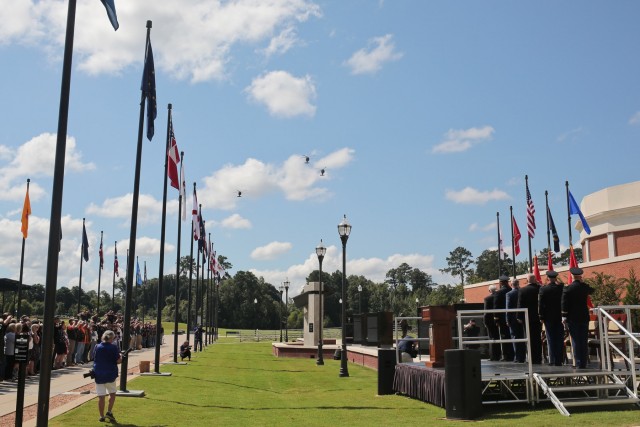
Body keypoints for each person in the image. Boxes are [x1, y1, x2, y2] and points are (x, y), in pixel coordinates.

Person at [561, 267, 594, 369]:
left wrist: (564, 316)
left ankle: (578, 362)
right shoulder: (584, 287)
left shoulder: (568, 288)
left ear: (571, 276)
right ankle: (583, 362)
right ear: (580, 276)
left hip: (572, 318)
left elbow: (564, 303)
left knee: (575, 340)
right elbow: (592, 291)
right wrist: (582, 282)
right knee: (583, 340)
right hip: (584, 317)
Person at [93, 330, 122, 423]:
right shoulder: (113, 347)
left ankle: (101, 416)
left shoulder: (97, 346)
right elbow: (118, 360)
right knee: (112, 393)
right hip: (110, 373)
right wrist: (121, 357)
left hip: (98, 373)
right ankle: (109, 411)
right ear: (111, 338)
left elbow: (95, 357)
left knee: (101, 396)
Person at [538, 270, 564, 366]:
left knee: (550, 338)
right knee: (559, 338)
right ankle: (559, 360)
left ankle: (552, 360)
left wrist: (541, 316)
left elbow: (540, 304)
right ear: (556, 278)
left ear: (548, 278)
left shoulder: (543, 289)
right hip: (559, 317)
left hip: (548, 317)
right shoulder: (561, 288)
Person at [518, 273, 542, 364]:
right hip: (538, 317)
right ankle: (538, 358)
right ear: (535, 280)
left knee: (529, 338)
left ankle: (531, 358)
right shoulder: (540, 289)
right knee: (537, 338)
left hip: (527, 318)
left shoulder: (523, 290)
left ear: (527, 280)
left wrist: (519, 317)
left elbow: (520, 304)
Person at [493, 276, 514, 362]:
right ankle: (513, 354)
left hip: (502, 319)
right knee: (513, 336)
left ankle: (506, 356)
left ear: (501, 283)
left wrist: (496, 319)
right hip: (512, 318)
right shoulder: (511, 291)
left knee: (504, 337)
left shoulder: (498, 293)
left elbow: (496, 307)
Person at [506, 279, 526, 362]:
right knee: (523, 337)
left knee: (515, 337)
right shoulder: (523, 292)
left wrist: (507, 320)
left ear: (511, 285)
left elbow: (508, 308)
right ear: (518, 284)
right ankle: (523, 356)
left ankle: (517, 357)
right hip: (523, 318)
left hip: (513, 319)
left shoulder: (509, 294)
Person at [483, 284, 501, 361]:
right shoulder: (500, 297)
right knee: (499, 337)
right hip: (500, 320)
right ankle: (500, 355)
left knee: (492, 338)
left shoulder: (487, 298)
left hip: (490, 322)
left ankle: (494, 356)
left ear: (489, 291)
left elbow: (486, 312)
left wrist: (485, 322)